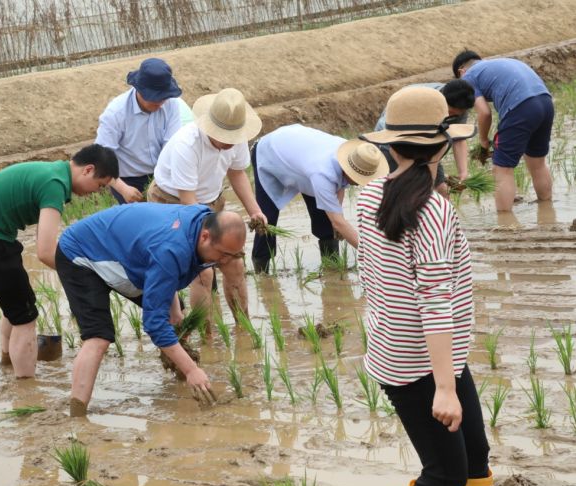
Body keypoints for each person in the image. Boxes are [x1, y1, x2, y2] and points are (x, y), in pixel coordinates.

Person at [357, 86, 492, 486]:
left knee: (475, 457)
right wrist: (445, 388)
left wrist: (448, 375)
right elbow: (434, 303)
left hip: (419, 352)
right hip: (417, 363)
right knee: (445, 476)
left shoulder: (368, 195)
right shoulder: (433, 211)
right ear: (443, 145)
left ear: (392, 146)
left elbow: (373, 279)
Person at [56, 203, 247, 416]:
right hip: (81, 253)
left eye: (232, 255)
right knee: (99, 336)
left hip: (127, 253)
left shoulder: (200, 221)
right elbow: (153, 323)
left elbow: (168, 269)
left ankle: (180, 384)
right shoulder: (171, 249)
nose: (224, 262)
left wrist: (174, 311)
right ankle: (77, 415)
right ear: (205, 236)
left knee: (173, 314)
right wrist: (191, 369)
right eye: (222, 255)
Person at [0, 145, 118, 378]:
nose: (96, 192)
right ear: (88, 170)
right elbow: (45, 251)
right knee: (25, 318)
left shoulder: (53, 171)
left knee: (15, 306)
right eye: (100, 185)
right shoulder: (54, 185)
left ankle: (7, 363)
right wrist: (85, 275)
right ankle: (26, 387)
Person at [148, 87, 266, 324]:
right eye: (224, 137)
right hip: (172, 202)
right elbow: (188, 204)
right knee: (202, 271)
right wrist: (207, 250)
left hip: (211, 200)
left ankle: (244, 327)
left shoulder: (236, 137)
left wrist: (255, 210)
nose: (230, 143)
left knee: (234, 263)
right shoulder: (187, 145)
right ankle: (208, 336)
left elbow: (237, 173)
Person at [250, 124, 388, 273]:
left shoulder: (350, 154)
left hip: (300, 152)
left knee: (326, 221)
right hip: (270, 152)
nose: (359, 183)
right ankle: (262, 273)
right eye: (359, 179)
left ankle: (332, 268)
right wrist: (371, 256)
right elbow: (338, 221)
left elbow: (340, 185)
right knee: (266, 220)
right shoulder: (322, 174)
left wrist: (337, 216)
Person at [453, 50, 554, 211]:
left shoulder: (468, 77)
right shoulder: (495, 64)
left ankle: (505, 225)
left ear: (461, 71)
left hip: (520, 106)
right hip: (546, 102)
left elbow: (484, 113)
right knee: (537, 163)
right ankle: (547, 210)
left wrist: (483, 141)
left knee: (502, 169)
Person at [96, 58, 183, 204]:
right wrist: (123, 189)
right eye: (155, 98)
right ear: (139, 90)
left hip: (161, 172)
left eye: (163, 98)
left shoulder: (172, 105)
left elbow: (172, 148)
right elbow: (100, 158)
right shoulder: (116, 113)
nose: (160, 103)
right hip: (127, 180)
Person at [374, 80, 475, 198]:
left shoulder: (460, 105)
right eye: (449, 112)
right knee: (407, 190)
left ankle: (444, 215)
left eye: (456, 115)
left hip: (427, 144)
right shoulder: (417, 102)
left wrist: (463, 172)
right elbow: (389, 133)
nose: (450, 117)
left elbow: (458, 138)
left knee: (441, 189)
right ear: (441, 101)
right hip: (394, 143)